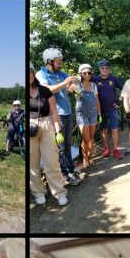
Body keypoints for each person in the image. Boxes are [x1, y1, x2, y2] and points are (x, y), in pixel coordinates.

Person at [36, 47, 84, 185]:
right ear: (49, 61)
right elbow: (46, 90)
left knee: (67, 145)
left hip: (67, 114)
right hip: (55, 116)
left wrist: (73, 86)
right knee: (60, 147)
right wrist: (64, 83)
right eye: (58, 61)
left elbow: (70, 85)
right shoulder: (41, 74)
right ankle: (64, 175)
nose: (60, 63)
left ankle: (71, 169)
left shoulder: (60, 73)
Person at [30, 62, 69, 206]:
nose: (28, 75)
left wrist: (58, 130)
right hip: (29, 127)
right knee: (32, 164)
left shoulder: (45, 91)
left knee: (51, 161)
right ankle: (38, 192)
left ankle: (59, 192)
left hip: (46, 125)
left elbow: (54, 112)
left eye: (30, 71)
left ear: (33, 73)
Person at [93, 59, 124, 159]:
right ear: (99, 69)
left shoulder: (114, 79)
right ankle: (106, 148)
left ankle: (115, 150)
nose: (104, 70)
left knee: (115, 129)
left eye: (106, 68)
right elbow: (85, 85)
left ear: (109, 69)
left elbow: (125, 88)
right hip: (100, 110)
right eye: (102, 68)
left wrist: (119, 101)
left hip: (113, 109)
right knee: (104, 130)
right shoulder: (95, 79)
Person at [72, 63, 101, 168]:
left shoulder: (94, 86)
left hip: (93, 113)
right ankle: (84, 158)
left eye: (89, 72)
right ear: (81, 74)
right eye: (84, 73)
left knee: (92, 137)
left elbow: (97, 100)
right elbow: (70, 85)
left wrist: (99, 113)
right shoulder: (77, 85)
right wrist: (75, 79)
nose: (87, 75)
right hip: (81, 113)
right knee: (86, 138)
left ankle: (90, 157)